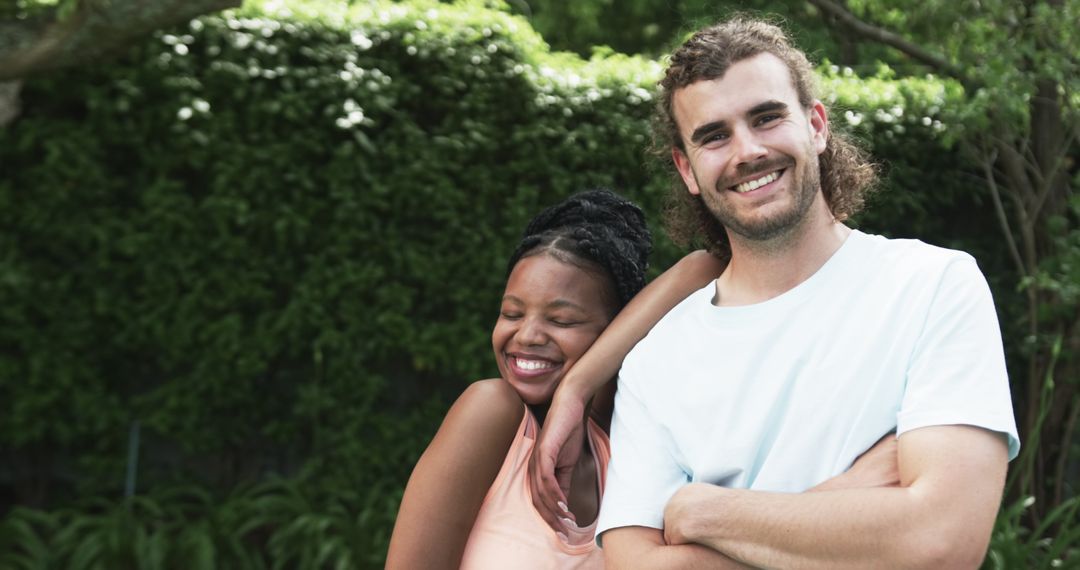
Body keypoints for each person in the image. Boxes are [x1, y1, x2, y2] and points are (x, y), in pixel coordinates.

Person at [530, 17, 1020, 568]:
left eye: (766, 118)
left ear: (816, 125)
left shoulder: (934, 285)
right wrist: (852, 499)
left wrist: (697, 513)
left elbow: (942, 542)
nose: (747, 151)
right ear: (686, 169)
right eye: (714, 136)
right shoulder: (654, 361)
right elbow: (638, 564)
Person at [386, 189, 716, 568]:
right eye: (511, 313)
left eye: (561, 320)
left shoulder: (615, 438)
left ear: (613, 331)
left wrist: (575, 390)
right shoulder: (491, 412)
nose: (526, 335)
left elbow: (707, 266)